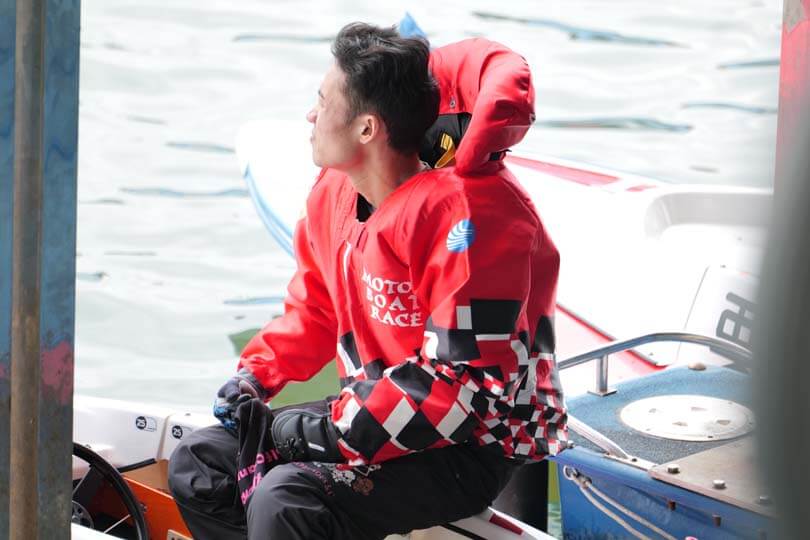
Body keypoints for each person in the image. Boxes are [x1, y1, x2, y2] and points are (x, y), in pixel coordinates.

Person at [168, 22, 567, 540]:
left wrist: (329, 432)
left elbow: (465, 387)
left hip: (473, 443)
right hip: (371, 410)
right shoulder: (333, 195)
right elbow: (315, 309)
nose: (310, 115)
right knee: (200, 463)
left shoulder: (470, 224)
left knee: (288, 500)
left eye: (322, 101)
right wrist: (255, 376)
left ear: (367, 129)